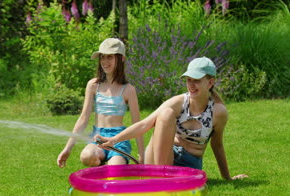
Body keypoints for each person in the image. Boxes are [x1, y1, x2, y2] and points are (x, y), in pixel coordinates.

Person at [98, 57, 248, 180]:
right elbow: (145, 124)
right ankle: (161, 179)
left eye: (196, 80)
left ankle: (159, 179)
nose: (191, 85)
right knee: (165, 114)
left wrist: (227, 178)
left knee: (166, 113)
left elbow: (217, 145)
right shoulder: (179, 102)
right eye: (188, 80)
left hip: (189, 164)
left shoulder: (218, 112)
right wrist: (114, 140)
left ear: (210, 82)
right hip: (162, 157)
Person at [57, 38, 145, 168]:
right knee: (87, 156)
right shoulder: (93, 85)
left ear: (121, 59)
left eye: (109, 57)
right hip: (97, 138)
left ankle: (111, 166)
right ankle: (102, 168)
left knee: (115, 170)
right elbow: (83, 118)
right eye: (102, 57)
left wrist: (142, 154)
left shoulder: (128, 90)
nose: (105, 62)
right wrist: (67, 149)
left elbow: (137, 124)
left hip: (118, 140)